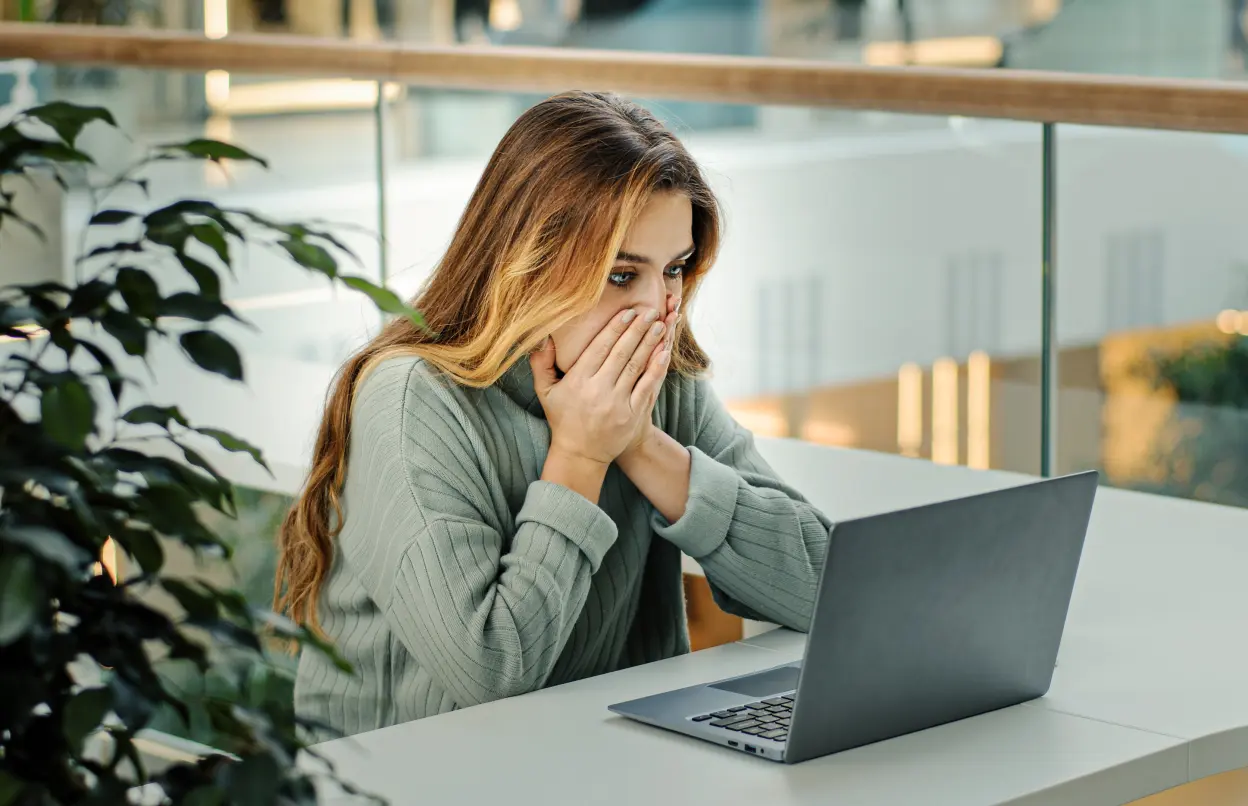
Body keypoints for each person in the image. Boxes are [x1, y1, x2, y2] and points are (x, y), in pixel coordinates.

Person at [275, 91, 833, 738]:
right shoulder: (412, 400)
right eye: (623, 276)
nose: (660, 309)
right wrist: (580, 456)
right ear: (528, 267)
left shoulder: (659, 384)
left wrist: (640, 445)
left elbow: (824, 588)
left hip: (605, 767)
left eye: (674, 269)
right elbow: (491, 673)